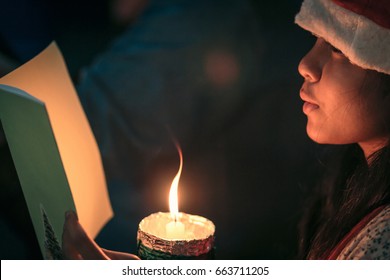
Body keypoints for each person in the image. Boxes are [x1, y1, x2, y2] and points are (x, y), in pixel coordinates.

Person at [63, 0, 390, 260]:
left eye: (339, 49)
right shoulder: (351, 184)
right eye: (316, 39)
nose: (305, 65)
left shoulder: (381, 240)